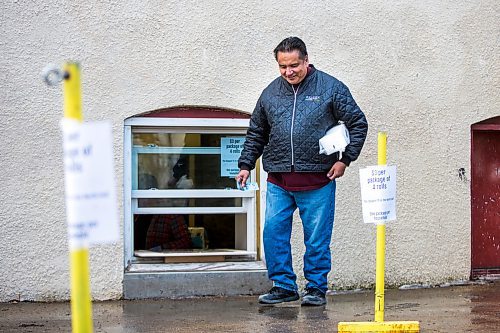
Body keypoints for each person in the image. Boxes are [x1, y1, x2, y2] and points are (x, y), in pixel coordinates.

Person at [236, 37, 368, 306]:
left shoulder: (330, 88)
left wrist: (345, 160)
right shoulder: (270, 94)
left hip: (319, 179)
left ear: (306, 60)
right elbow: (256, 132)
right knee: (273, 232)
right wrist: (246, 164)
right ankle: (283, 285)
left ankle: (316, 289)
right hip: (279, 180)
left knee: (317, 238)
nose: (289, 72)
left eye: (294, 65)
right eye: (283, 66)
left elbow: (358, 123)